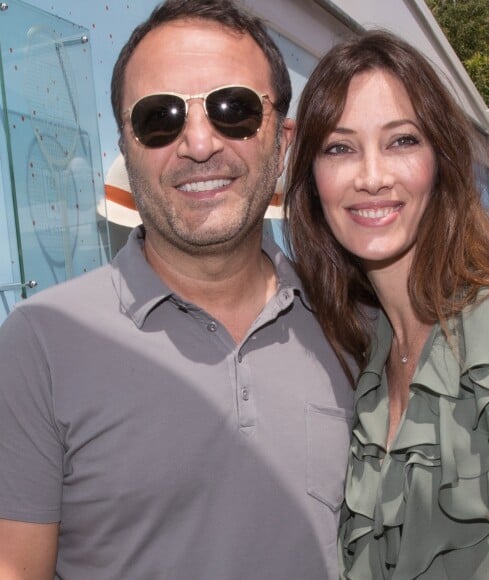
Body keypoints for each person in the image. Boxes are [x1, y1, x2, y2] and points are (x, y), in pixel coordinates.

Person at [0, 1, 355, 578]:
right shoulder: (39, 344)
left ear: (283, 138)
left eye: (232, 109)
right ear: (126, 143)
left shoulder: (352, 323)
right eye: (158, 118)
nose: (198, 144)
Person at [285, 29, 489, 579]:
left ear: (440, 160)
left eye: (401, 141)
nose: (372, 177)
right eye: (340, 148)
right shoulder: (369, 351)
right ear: (312, 179)